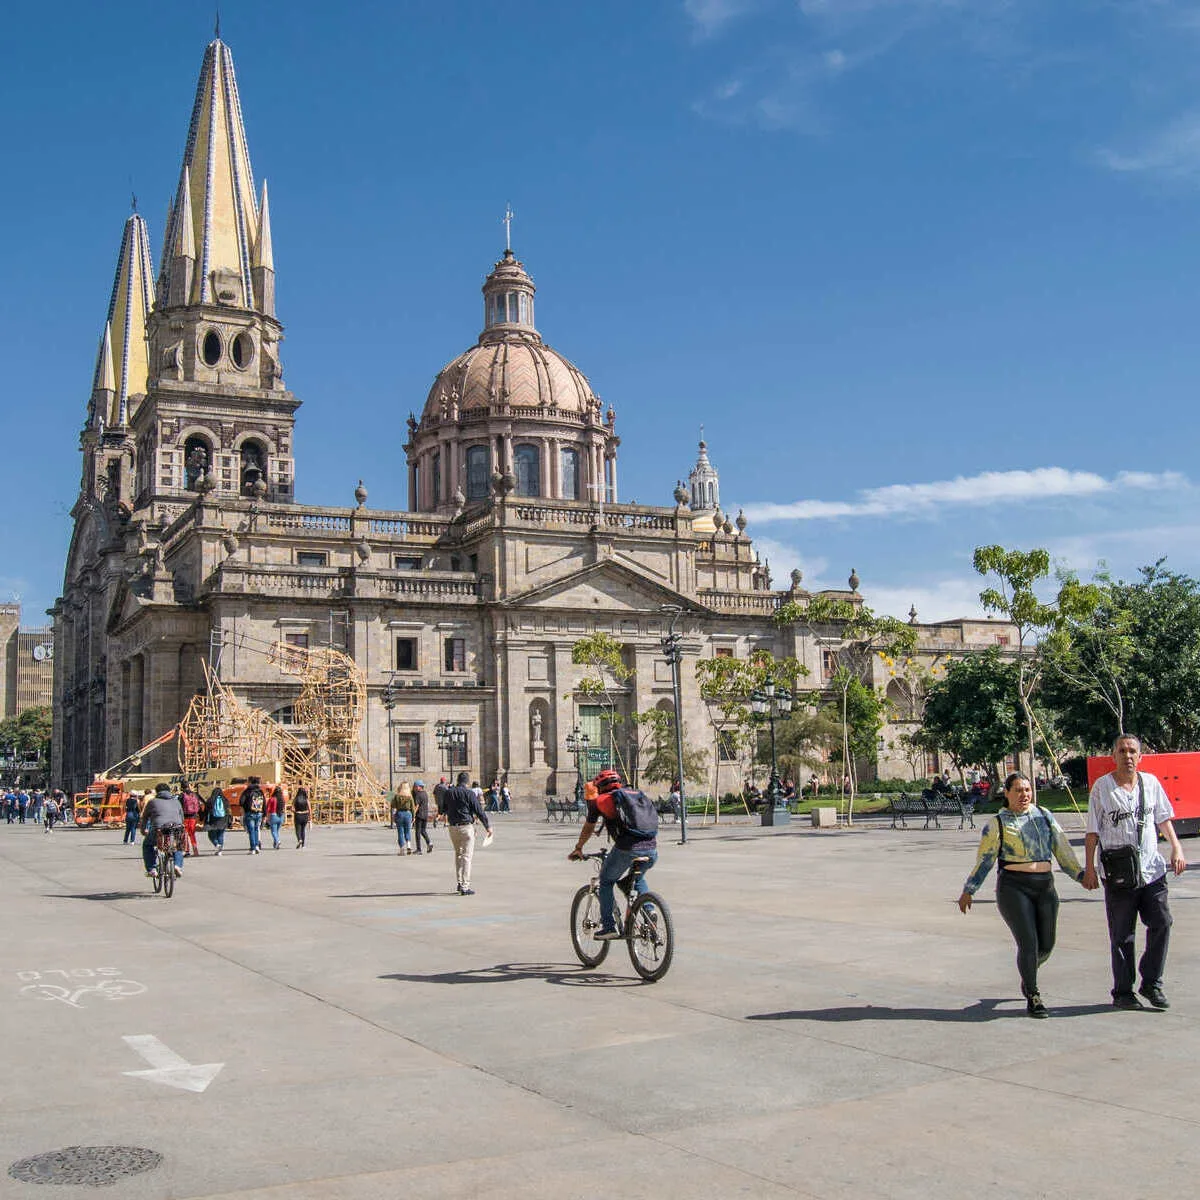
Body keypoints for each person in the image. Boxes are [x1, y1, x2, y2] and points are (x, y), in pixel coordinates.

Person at [958, 771, 1086, 1017]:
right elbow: (985, 860)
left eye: (1027, 790)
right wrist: (969, 890)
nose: (1023, 795)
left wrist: (1079, 875)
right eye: (1017, 790)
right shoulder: (997, 823)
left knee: (1046, 945)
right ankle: (1033, 994)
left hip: (1045, 886)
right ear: (1006, 793)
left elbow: (1062, 849)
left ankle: (1028, 971)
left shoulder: (1044, 816)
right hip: (1014, 888)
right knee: (1029, 942)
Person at [1084, 733, 1187, 1010]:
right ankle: (1123, 991)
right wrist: (1090, 868)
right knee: (1122, 935)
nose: (1127, 756)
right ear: (1113, 756)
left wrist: (1176, 848)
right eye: (1122, 751)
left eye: (1132, 751)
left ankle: (1151, 982)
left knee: (1162, 922)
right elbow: (1093, 830)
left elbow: (1163, 818)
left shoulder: (1151, 784)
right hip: (1118, 875)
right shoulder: (1102, 789)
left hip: (1152, 871)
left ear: (1140, 757)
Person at [569, 767, 658, 940]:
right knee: (637, 878)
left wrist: (578, 847)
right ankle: (650, 910)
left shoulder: (600, 801)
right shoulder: (635, 794)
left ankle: (609, 926)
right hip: (652, 848)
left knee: (606, 881)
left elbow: (589, 828)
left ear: (600, 787)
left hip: (628, 848)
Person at [438, 770, 492, 895]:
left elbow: (442, 809)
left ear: (457, 781)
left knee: (458, 854)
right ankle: (465, 886)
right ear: (467, 782)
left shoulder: (448, 793)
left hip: (453, 827)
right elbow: (479, 810)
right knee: (467, 857)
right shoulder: (469, 793)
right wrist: (487, 826)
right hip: (466, 827)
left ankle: (459, 882)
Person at [140, 782, 185, 880]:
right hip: (176, 828)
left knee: (147, 845)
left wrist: (143, 831)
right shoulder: (176, 801)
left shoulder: (153, 802)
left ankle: (152, 869)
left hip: (159, 829)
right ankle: (177, 866)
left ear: (157, 792)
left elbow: (144, 818)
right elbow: (182, 818)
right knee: (177, 847)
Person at [241, 776, 266, 854]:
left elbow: (241, 801)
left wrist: (244, 810)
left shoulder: (247, 791)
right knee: (256, 829)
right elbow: (264, 803)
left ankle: (253, 848)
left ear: (250, 782)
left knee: (251, 830)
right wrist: (264, 814)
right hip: (259, 813)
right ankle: (257, 846)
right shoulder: (260, 791)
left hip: (250, 813)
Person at [204, 784, 229, 855]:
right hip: (223, 820)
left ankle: (217, 845)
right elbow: (228, 811)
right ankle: (219, 851)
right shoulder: (225, 800)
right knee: (220, 835)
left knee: (211, 835)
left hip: (213, 820)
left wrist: (205, 820)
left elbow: (206, 811)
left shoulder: (210, 800)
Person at [391, 781, 414, 854]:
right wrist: (413, 816)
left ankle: (401, 849)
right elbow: (412, 807)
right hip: (408, 813)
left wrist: (393, 815)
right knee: (407, 831)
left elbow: (393, 806)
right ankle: (409, 846)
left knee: (400, 832)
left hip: (399, 813)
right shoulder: (409, 796)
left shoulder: (397, 796)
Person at [180, 782, 202, 856]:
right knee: (192, 834)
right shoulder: (194, 794)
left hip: (185, 817)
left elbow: (179, 807)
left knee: (185, 834)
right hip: (193, 817)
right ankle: (195, 851)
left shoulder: (182, 795)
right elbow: (199, 804)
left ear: (182, 787)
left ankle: (186, 851)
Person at [412, 780, 432, 853]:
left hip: (419, 815)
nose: (414, 788)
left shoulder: (418, 795)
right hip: (425, 814)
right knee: (423, 830)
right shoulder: (425, 793)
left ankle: (419, 849)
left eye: (415, 786)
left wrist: (413, 814)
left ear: (419, 787)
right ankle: (429, 843)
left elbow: (417, 806)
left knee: (417, 832)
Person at [265, 783, 286, 850]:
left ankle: (277, 841)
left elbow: (268, 809)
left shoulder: (272, 799)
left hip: (273, 815)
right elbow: (284, 808)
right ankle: (275, 844)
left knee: (273, 831)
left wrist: (267, 817)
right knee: (276, 831)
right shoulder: (282, 799)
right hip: (281, 816)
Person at [292, 784, 310, 849]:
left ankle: (299, 839)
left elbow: (292, 808)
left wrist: (295, 812)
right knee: (303, 830)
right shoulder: (306, 799)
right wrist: (310, 818)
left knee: (298, 829)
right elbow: (309, 808)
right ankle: (303, 845)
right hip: (305, 815)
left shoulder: (296, 799)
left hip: (298, 815)